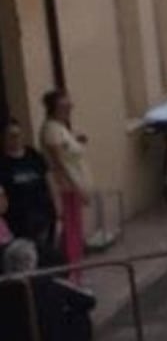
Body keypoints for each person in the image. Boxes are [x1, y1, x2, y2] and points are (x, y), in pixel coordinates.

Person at [39, 91, 91, 284]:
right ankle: (72, 274)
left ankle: (75, 272)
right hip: (65, 188)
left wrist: (77, 142)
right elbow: (59, 161)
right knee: (71, 232)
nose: (68, 109)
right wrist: (77, 187)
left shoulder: (60, 128)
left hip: (71, 186)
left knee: (74, 230)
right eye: (64, 106)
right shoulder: (51, 129)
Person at [0, 238, 96, 341]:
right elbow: (88, 300)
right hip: (45, 335)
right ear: (33, 261)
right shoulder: (47, 282)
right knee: (79, 316)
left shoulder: (4, 284)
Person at [0, 120, 59, 266]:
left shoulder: (34, 155)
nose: (16, 139)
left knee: (47, 252)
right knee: (27, 257)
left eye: (18, 135)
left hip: (43, 212)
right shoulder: (3, 163)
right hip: (18, 219)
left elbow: (49, 180)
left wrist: (57, 206)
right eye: (11, 136)